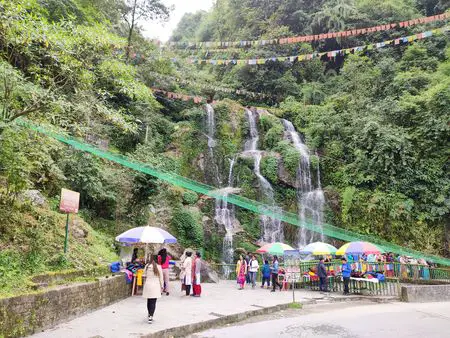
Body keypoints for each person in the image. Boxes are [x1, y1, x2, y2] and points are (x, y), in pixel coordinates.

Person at [142, 253, 163, 324]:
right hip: (155, 285)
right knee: (153, 302)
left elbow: (143, 275)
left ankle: (149, 315)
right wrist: (162, 286)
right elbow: (161, 278)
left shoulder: (147, 266)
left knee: (149, 300)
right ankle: (151, 316)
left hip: (148, 284)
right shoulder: (159, 267)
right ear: (157, 259)